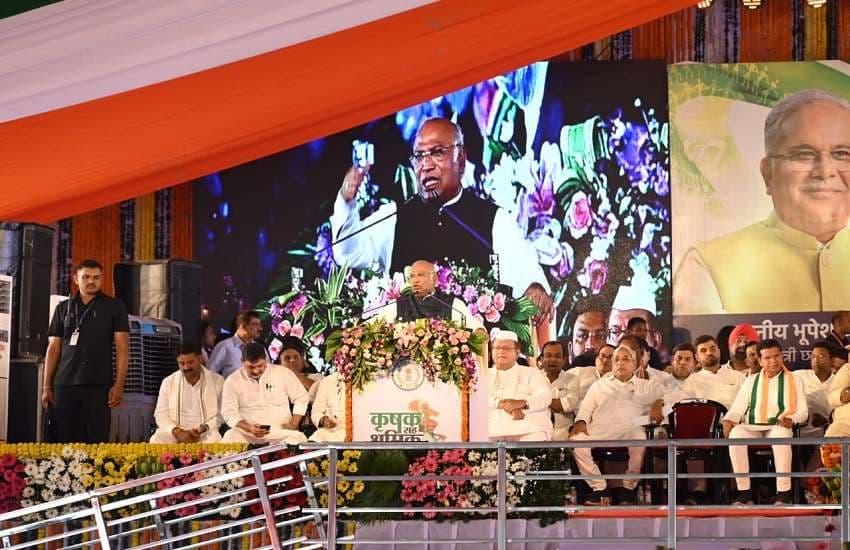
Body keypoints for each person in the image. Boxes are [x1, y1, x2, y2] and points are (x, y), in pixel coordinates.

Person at [329, 117, 553, 325]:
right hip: (405, 360)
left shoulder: (493, 218)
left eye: (437, 153)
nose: (425, 166)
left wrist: (534, 286)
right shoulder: (395, 216)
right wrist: (346, 200)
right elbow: (347, 253)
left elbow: (525, 270)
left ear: (461, 159)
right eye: (419, 156)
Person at [674, 89, 850, 314]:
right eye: (803, 154)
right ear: (768, 174)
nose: (825, 171)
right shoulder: (707, 265)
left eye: (842, 154)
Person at [42, 259, 129, 443]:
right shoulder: (63, 308)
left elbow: (122, 348)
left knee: (97, 442)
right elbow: (54, 348)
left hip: (98, 385)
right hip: (64, 384)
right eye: (86, 277)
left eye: (96, 277)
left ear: (102, 279)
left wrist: (119, 385)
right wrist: (46, 386)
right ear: (76, 279)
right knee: (62, 441)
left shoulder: (114, 307)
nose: (91, 281)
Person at [570, 345, 664, 505]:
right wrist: (580, 422)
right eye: (616, 360)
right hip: (601, 428)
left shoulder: (649, 386)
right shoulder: (599, 385)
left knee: (639, 437)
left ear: (635, 364)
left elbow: (668, 408)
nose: (620, 363)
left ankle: (628, 489)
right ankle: (599, 488)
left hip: (631, 427)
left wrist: (659, 403)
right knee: (576, 442)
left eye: (626, 359)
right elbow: (585, 411)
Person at [723, 339, 808, 505]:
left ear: (782, 357)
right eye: (768, 358)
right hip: (753, 426)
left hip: (779, 425)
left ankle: (784, 495)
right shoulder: (750, 381)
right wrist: (728, 420)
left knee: (781, 435)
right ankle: (744, 494)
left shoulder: (795, 380)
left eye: (777, 356)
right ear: (760, 361)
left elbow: (803, 412)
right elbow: (736, 409)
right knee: (736, 433)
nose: (773, 361)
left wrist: (792, 419)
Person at [221, 342, 309, 444]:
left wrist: (294, 424)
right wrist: (249, 427)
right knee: (230, 436)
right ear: (242, 361)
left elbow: (301, 397)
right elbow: (229, 412)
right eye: (251, 367)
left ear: (266, 360)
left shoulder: (282, 373)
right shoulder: (232, 380)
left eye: (260, 366)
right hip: (248, 434)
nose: (256, 371)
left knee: (298, 439)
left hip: (279, 432)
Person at [369, 259, 481, 330]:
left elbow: (476, 329)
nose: (415, 280)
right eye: (412, 276)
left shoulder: (452, 305)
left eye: (420, 275)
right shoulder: (398, 304)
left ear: (435, 279)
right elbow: (372, 325)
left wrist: (479, 331)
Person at [151, 341, 225, 444]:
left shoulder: (217, 381)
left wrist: (204, 428)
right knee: (157, 439)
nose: (186, 367)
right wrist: (177, 431)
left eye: (190, 362)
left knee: (215, 440)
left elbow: (222, 413)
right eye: (182, 363)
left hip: (205, 432)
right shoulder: (169, 382)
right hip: (175, 432)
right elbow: (160, 414)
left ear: (200, 359)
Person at [487, 330, 552, 441]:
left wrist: (522, 403)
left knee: (537, 437)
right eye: (497, 348)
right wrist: (502, 404)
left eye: (507, 348)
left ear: (517, 352)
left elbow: (545, 397)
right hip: (492, 427)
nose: (501, 351)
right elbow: (477, 399)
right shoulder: (483, 374)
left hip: (526, 424)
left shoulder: (532, 373)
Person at [207, 310, 268, 378]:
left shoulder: (260, 348)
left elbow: (269, 372)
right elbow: (209, 374)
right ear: (243, 326)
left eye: (259, 324)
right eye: (255, 324)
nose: (260, 328)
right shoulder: (224, 346)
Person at [538, 341, 577, 441]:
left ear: (564, 360)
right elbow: (527, 405)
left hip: (563, 432)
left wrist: (539, 402)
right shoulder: (533, 378)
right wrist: (556, 403)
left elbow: (569, 405)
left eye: (557, 356)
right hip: (537, 430)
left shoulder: (573, 379)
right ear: (541, 359)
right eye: (548, 355)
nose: (553, 360)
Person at [795, 341, 835, 439]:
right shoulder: (799, 376)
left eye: (821, 356)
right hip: (800, 432)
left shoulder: (838, 381)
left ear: (832, 360)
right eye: (813, 357)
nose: (816, 360)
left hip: (830, 433)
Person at [693, 335, 745, 408]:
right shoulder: (691, 382)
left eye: (713, 349)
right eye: (703, 351)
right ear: (697, 357)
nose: (709, 353)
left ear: (719, 351)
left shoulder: (739, 377)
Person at [309, 371, 346, 442]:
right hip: (332, 433)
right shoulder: (328, 381)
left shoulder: (370, 382)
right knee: (312, 444)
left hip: (361, 434)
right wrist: (323, 420)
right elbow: (316, 411)